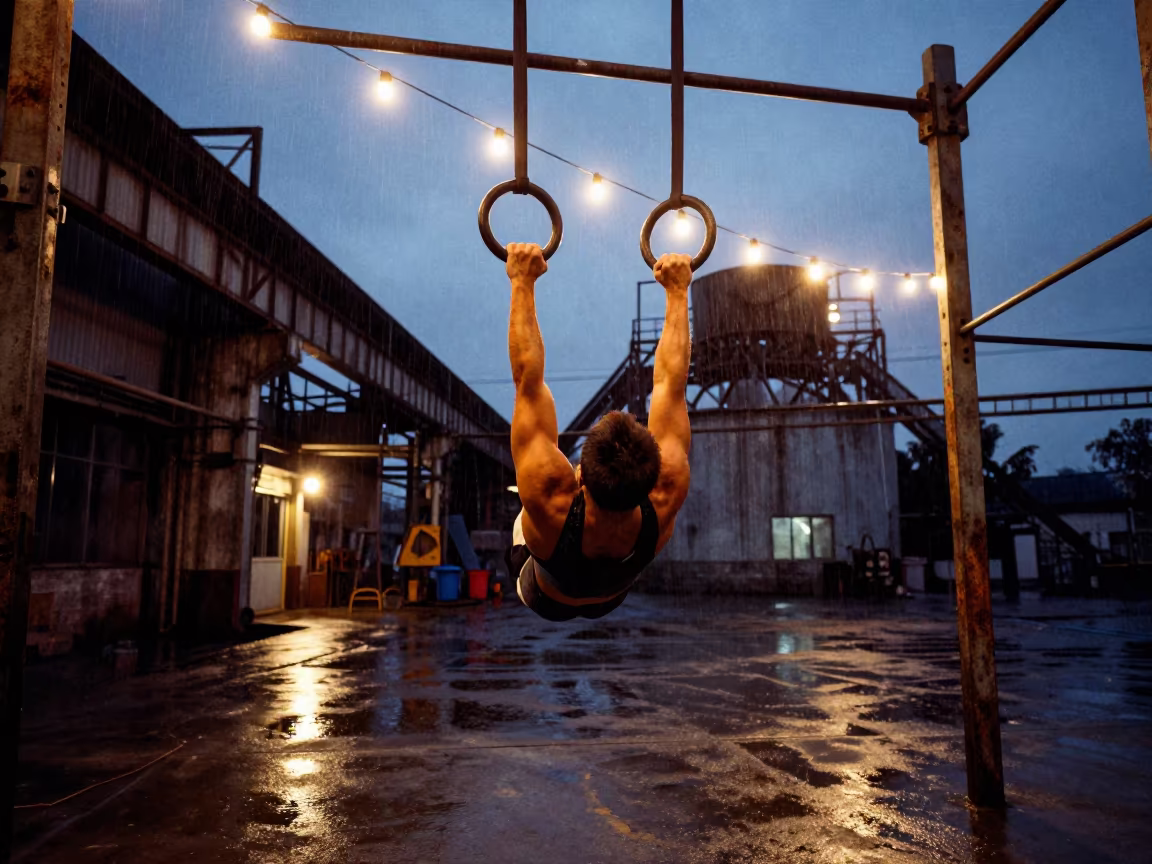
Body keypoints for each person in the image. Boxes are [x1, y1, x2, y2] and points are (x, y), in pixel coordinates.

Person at [503, 243, 693, 621]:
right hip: (611, 594)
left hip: (543, 594)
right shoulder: (667, 489)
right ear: (652, 474)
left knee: (529, 496)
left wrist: (522, 279)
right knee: (532, 489)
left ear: (581, 475)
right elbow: (671, 385)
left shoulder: (552, 494)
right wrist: (677, 291)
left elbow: (528, 381)